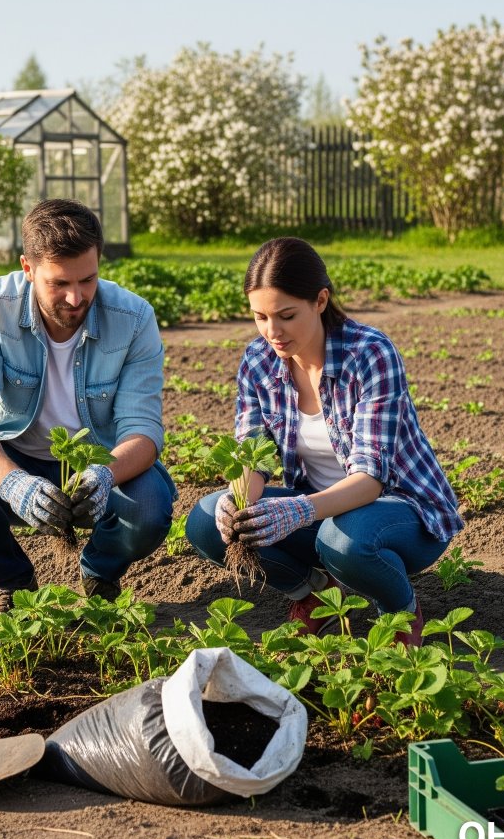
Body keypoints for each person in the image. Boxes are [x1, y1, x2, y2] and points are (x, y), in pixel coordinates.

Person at [185, 237, 463, 646]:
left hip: (403, 512)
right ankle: (313, 594)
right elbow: (253, 455)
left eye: (286, 315)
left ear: (320, 300)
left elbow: (370, 479)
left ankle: (401, 612)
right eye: (260, 317)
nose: (272, 332)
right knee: (210, 520)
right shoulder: (258, 360)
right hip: (319, 511)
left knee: (341, 540)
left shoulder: (369, 353)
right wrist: (239, 500)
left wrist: (297, 510)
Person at [0, 199, 176, 612]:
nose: (76, 298)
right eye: (59, 283)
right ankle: (12, 582)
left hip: (98, 464)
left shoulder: (132, 317)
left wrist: (105, 475)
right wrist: (11, 482)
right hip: (17, 457)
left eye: (88, 280)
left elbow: (143, 430)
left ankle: (100, 574)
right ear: (27, 268)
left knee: (149, 504)